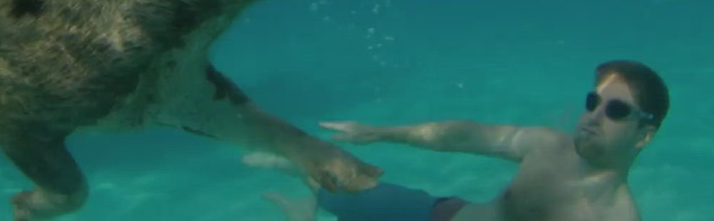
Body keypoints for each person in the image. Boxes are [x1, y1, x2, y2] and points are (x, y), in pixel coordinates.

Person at [248, 59, 669, 221]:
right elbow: (466, 135)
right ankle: (305, 195)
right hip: (438, 217)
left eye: (615, 111)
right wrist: (383, 133)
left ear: (644, 136)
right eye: (593, 101)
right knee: (339, 186)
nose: (593, 116)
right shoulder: (549, 145)